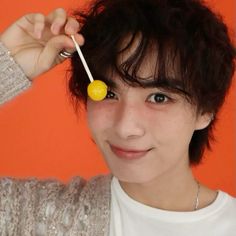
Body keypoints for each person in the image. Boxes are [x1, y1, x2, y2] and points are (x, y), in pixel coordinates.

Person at [0, 0, 235, 235]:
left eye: (159, 98)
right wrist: (6, 67)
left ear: (205, 110)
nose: (125, 128)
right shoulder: (42, 217)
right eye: (109, 94)